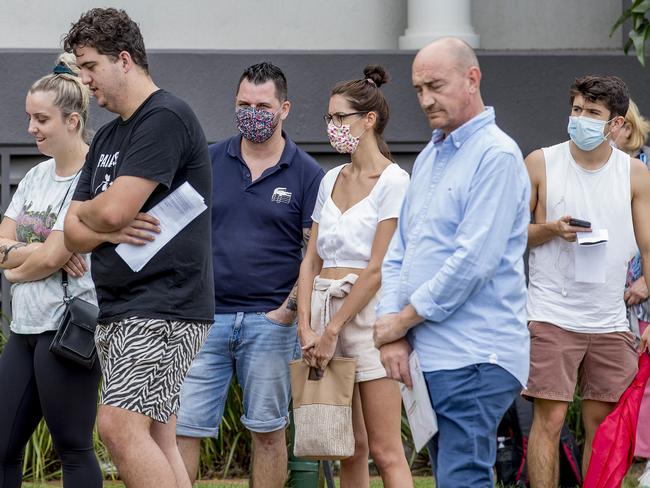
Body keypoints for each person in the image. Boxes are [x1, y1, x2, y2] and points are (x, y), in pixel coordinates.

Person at [62, 8, 214, 488]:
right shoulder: (107, 135)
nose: (84, 81)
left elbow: (106, 211)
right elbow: (73, 231)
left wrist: (99, 218)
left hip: (163, 305)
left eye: (89, 67)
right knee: (158, 437)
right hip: (122, 307)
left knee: (118, 426)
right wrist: (104, 225)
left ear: (123, 59)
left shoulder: (164, 117)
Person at [372, 37, 531, 487]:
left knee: (462, 477)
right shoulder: (429, 156)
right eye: (418, 89)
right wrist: (393, 333)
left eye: (435, 86)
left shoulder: (496, 156)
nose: (425, 99)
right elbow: (402, 250)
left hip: (477, 352)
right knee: (452, 475)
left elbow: (472, 263)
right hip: (435, 354)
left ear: (472, 78)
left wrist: (401, 321)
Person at [175, 62, 323, 487]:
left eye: (262, 105)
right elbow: (177, 230)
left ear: (285, 108)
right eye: (244, 104)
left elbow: (315, 252)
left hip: (270, 325)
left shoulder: (307, 173)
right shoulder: (206, 161)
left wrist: (288, 311)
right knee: (186, 429)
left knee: (268, 432)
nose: (251, 112)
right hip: (207, 319)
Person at [524, 76, 650, 487]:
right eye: (577, 110)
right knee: (550, 418)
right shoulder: (541, 162)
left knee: (602, 423)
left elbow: (649, 248)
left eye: (592, 113)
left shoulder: (633, 174)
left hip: (610, 318)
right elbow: (509, 234)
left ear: (616, 125)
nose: (580, 119)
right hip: (551, 312)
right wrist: (552, 230)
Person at [297, 65, 412, 488]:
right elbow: (310, 259)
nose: (332, 127)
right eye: (328, 118)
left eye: (340, 117)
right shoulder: (330, 178)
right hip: (326, 307)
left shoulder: (395, 181)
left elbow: (379, 267)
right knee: (348, 446)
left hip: (367, 318)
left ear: (369, 120)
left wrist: (333, 329)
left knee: (385, 449)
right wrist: (307, 324)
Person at [0, 54, 101, 487]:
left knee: (71, 446)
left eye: (41, 119)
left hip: (68, 328)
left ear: (73, 121)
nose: (31, 128)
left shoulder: (94, 176)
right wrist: (41, 252)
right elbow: (16, 253)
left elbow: (39, 259)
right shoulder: (35, 176)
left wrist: (23, 259)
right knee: (2, 445)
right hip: (24, 327)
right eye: (29, 117)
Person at [610, 100, 650, 486]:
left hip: (644, 291)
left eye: (610, 125)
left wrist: (646, 282)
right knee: (627, 378)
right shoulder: (604, 171)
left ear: (627, 127)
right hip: (614, 298)